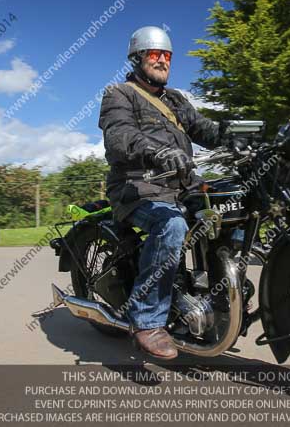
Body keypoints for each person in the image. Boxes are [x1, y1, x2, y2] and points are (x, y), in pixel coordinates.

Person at [98, 26, 223, 360]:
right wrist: (159, 152)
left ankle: (219, 297)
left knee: (231, 208)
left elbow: (205, 130)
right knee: (172, 226)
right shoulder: (119, 94)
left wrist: (240, 139)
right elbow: (120, 137)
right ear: (138, 57)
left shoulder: (176, 100)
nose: (162, 61)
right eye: (155, 55)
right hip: (137, 188)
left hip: (182, 186)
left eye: (167, 56)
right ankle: (148, 319)